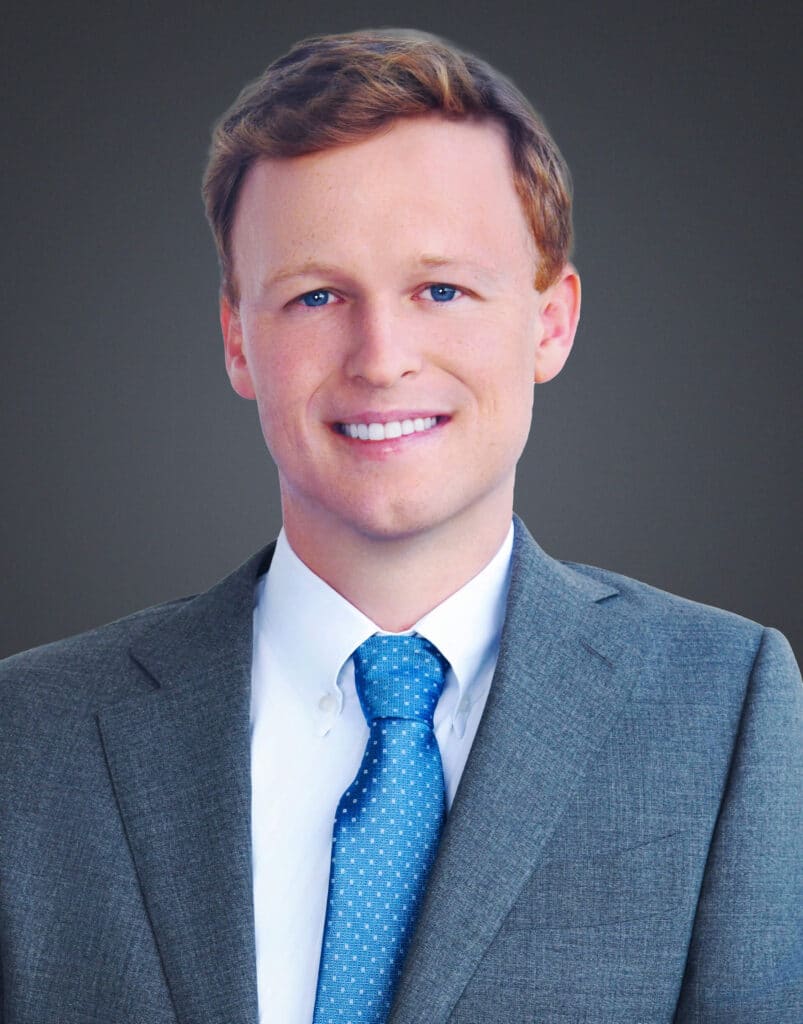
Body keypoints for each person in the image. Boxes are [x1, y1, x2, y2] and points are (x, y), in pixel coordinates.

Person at [0, 27, 800, 1024]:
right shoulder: (31, 733)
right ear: (237, 340)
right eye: (316, 295)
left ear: (550, 322)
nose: (380, 358)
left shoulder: (723, 705)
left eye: (441, 290)